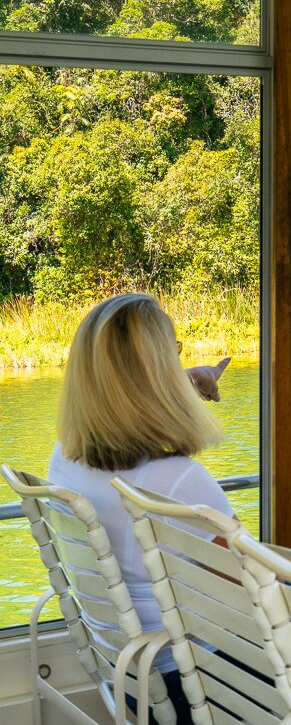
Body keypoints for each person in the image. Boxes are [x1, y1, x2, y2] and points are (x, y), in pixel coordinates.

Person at [49, 293, 234, 724]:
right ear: (157, 372)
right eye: (172, 355)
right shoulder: (181, 482)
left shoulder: (64, 458)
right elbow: (253, 595)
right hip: (191, 687)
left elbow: (119, 406)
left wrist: (183, 382)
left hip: (130, 676)